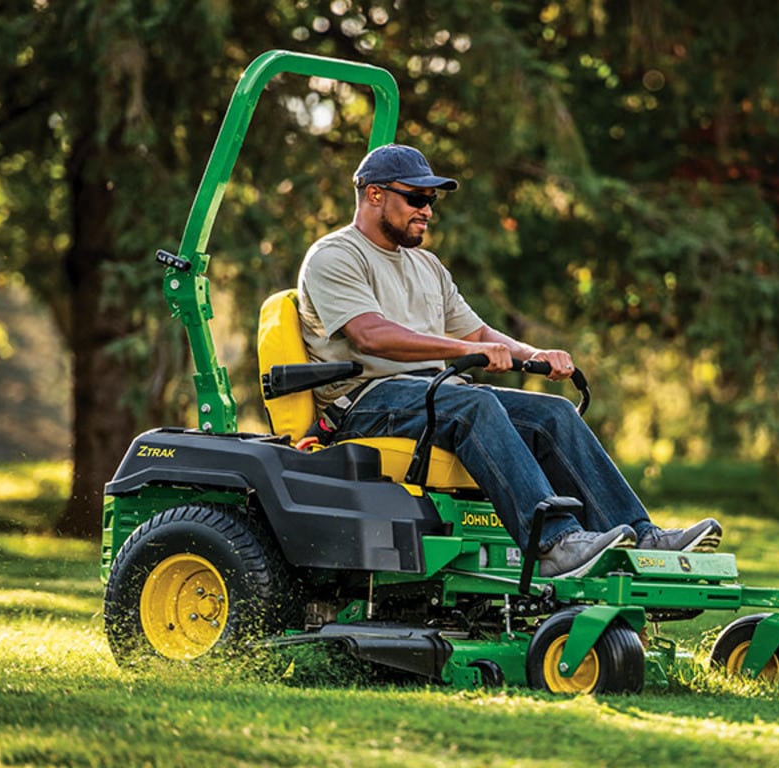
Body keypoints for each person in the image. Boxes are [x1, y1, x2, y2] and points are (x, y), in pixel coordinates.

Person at [297, 144, 721, 578]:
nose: (427, 211)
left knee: (551, 413)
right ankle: (554, 544)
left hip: (432, 396)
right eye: (417, 199)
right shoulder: (336, 256)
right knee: (473, 404)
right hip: (365, 402)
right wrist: (465, 353)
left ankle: (640, 534)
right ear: (374, 196)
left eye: (432, 201)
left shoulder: (427, 265)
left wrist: (532, 354)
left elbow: (477, 334)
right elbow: (371, 336)